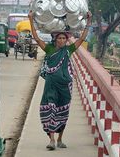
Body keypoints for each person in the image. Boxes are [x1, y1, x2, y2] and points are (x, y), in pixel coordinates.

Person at [28, 10, 92, 151]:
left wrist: (88, 22)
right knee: (50, 109)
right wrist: (31, 20)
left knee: (63, 113)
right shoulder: (49, 49)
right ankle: (51, 140)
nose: (62, 41)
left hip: (65, 86)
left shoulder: (68, 50)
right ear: (55, 39)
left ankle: (60, 139)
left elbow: (81, 39)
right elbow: (37, 38)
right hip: (51, 85)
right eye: (59, 38)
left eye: (64, 38)